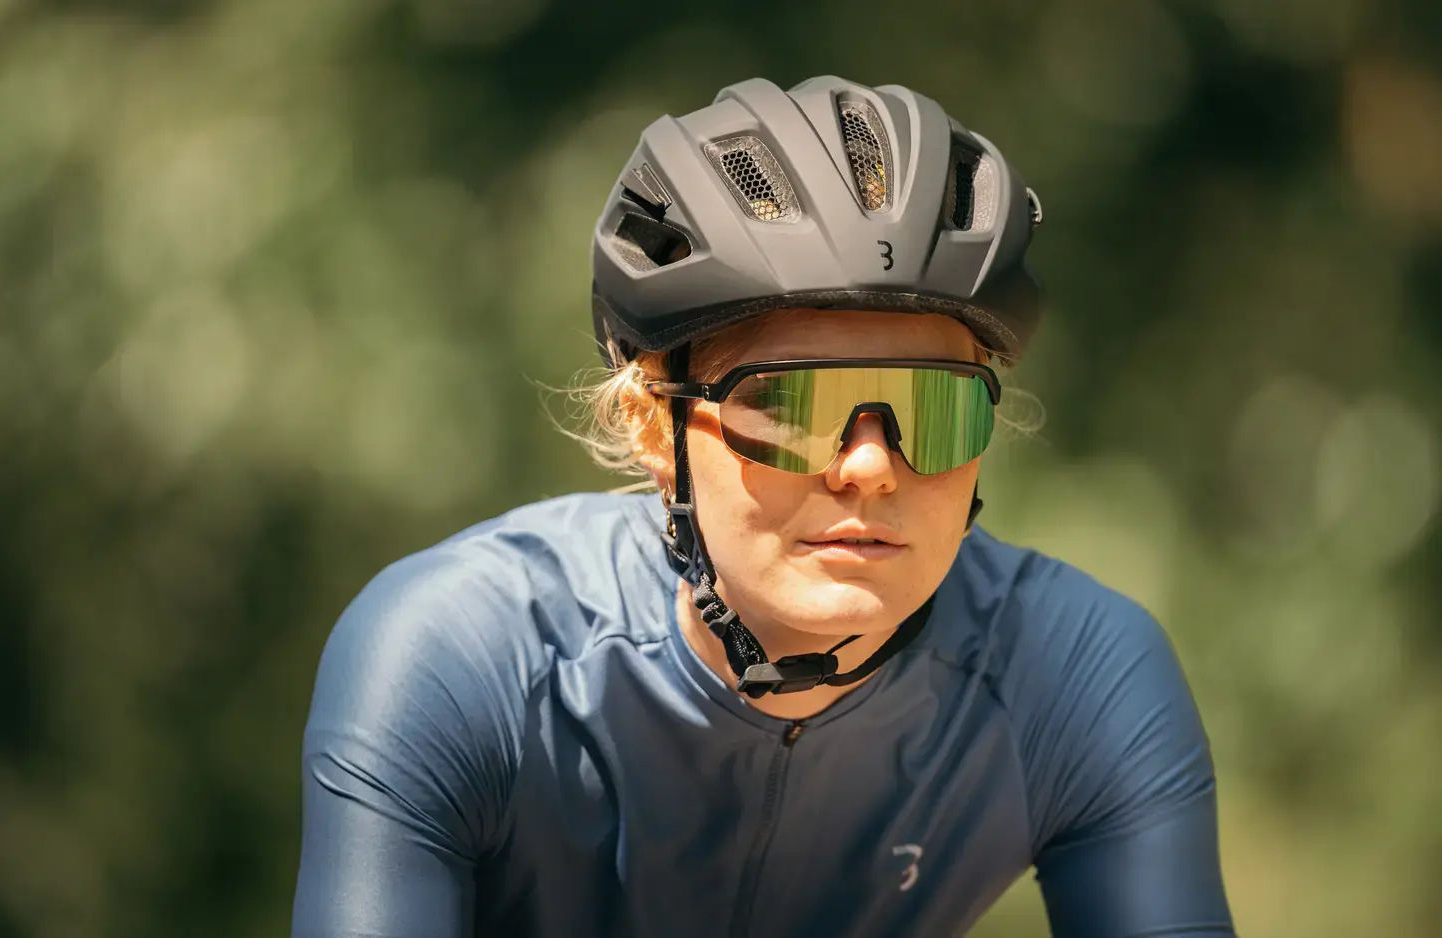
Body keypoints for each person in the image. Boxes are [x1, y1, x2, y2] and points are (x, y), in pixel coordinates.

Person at [291, 76, 1236, 937]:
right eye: (791, 405)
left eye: (935, 409)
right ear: (654, 425)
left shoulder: (1079, 677)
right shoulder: (458, 658)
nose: (870, 466)